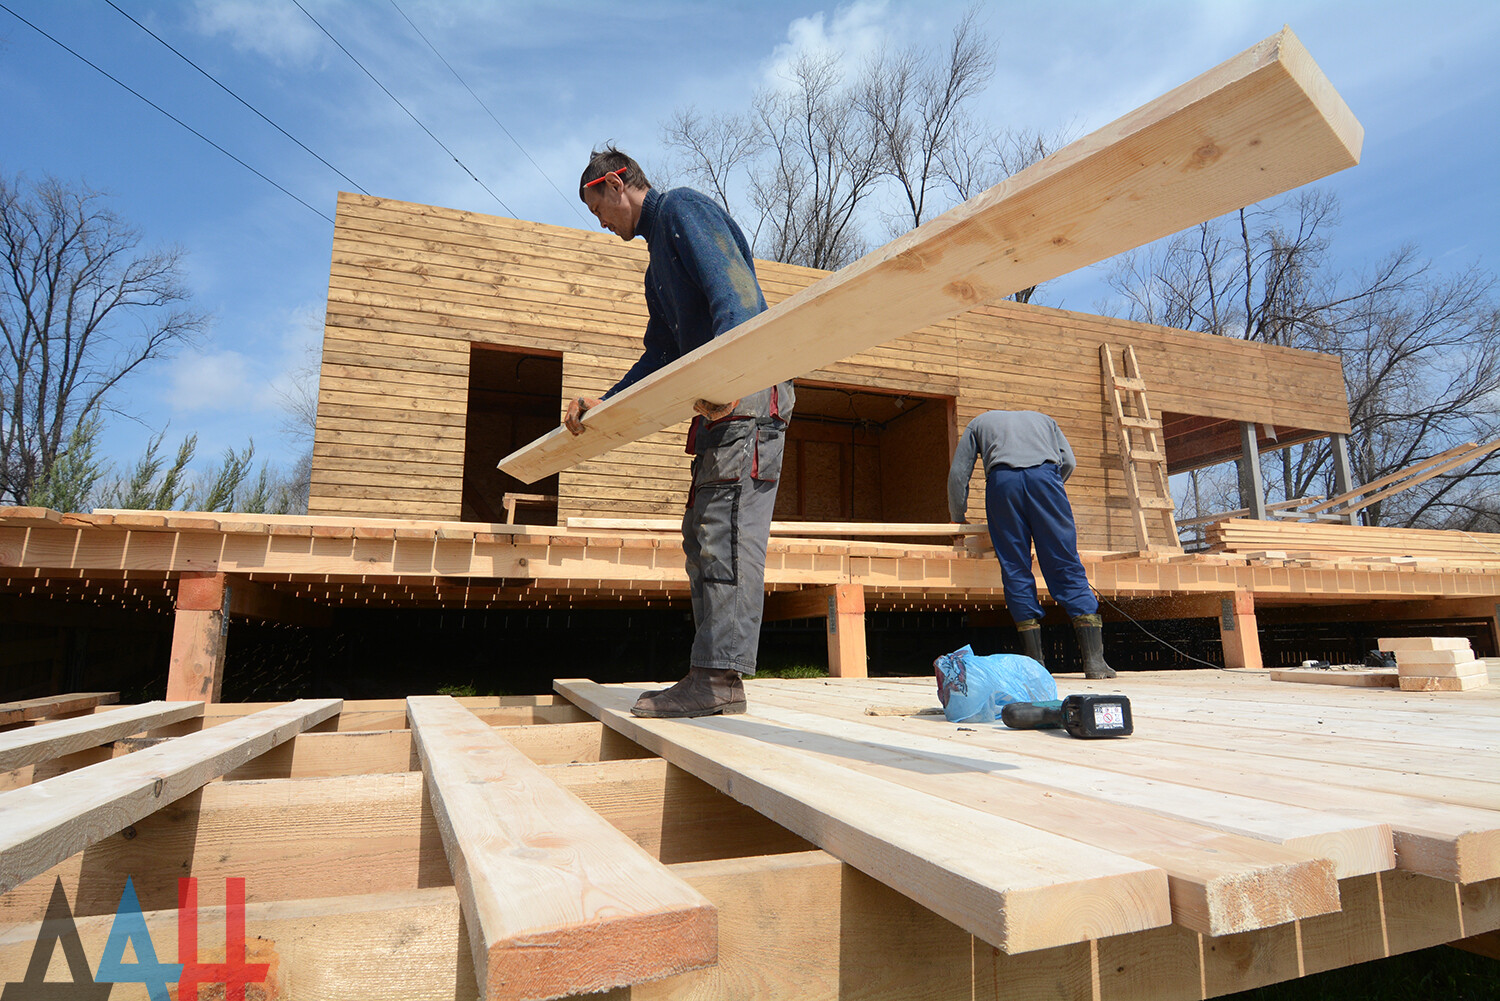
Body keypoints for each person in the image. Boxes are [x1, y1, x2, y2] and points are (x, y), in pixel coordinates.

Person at [564, 146, 794, 718]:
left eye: (598, 208)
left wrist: (731, 379)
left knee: (725, 531)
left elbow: (736, 298)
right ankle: (718, 676)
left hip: (747, 393)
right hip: (722, 402)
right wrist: (605, 403)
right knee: (701, 532)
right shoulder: (656, 269)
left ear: (618, 184)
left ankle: (716, 680)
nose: (601, 222)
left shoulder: (683, 210)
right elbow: (661, 356)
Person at [947, 409, 1116, 679]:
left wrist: (958, 517)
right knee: (1064, 561)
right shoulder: (1046, 420)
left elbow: (958, 474)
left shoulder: (978, 423)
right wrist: (1050, 488)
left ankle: (1035, 667)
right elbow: (1069, 461)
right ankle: (1095, 663)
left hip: (1003, 485)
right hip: (1046, 479)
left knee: (1015, 565)